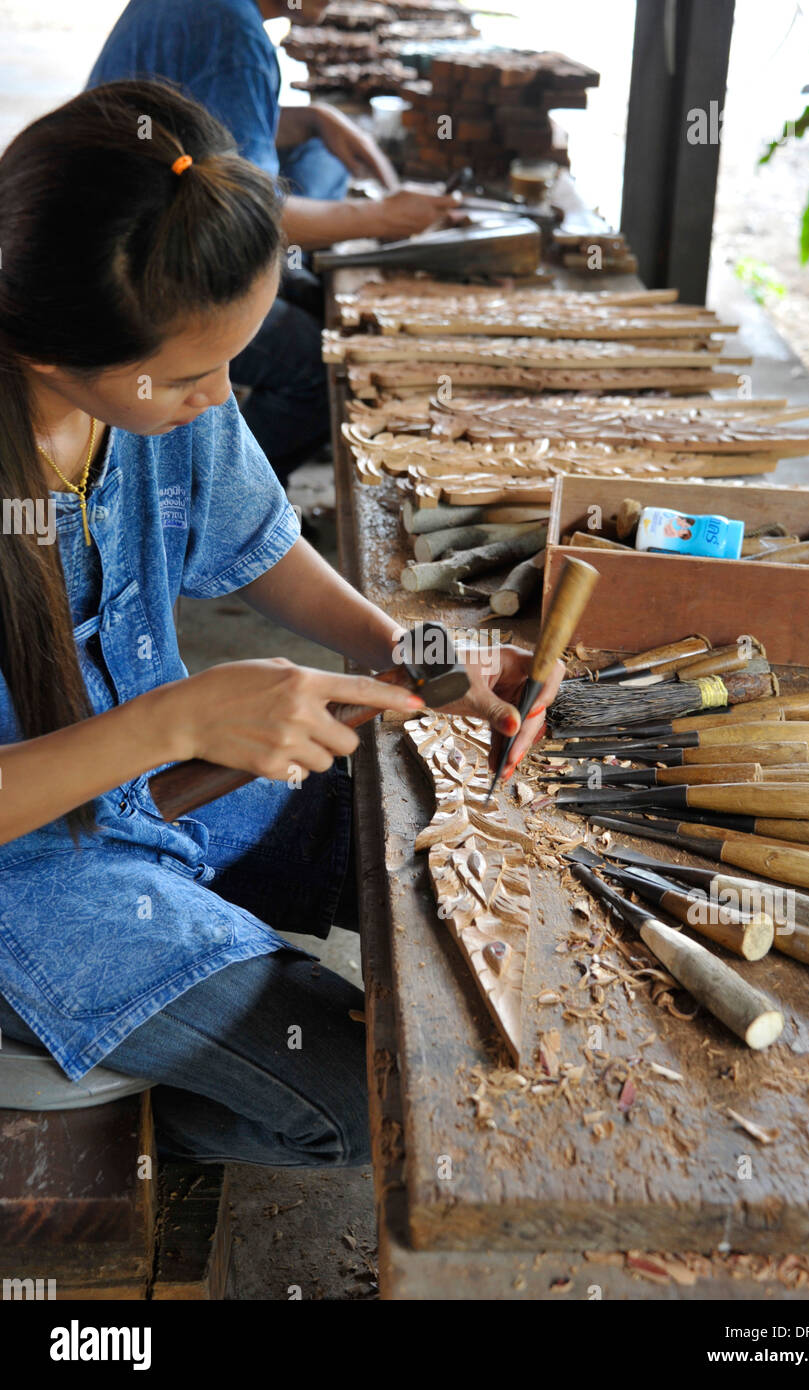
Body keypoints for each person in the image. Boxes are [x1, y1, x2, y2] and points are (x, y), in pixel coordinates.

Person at [0, 82, 560, 1168]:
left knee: (431, 819)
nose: (223, 395)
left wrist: (420, 656)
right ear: (39, 352)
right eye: (193, 374)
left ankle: (173, 1048)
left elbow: (272, 555)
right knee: (384, 1106)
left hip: (158, 803)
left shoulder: (153, 401)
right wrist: (178, 719)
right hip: (33, 884)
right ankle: (124, 1095)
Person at [88, 0, 457, 481]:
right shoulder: (233, 34)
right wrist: (382, 218)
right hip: (132, 273)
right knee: (321, 369)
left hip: (119, 227)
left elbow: (211, 123)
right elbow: (251, 218)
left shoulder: (220, 16)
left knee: (315, 280)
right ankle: (205, 497)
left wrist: (313, 120)